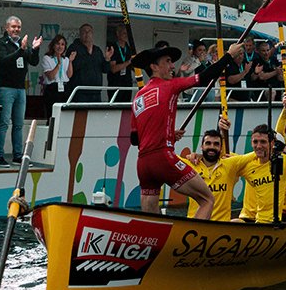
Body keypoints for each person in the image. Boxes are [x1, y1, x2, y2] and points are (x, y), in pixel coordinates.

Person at [129, 41, 243, 219]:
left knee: (150, 220)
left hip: (143, 164)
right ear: (154, 67)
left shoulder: (138, 97)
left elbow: (135, 139)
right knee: (207, 199)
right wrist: (229, 56)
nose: (172, 66)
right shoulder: (169, 85)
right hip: (163, 158)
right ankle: (194, 241)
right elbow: (205, 77)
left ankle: (153, 244)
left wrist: (168, 134)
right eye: (167, 61)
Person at [0, 15, 42, 166]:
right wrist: (20, 50)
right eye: (13, 27)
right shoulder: (1, 43)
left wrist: (34, 49)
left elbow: (34, 61)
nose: (16, 29)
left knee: (19, 124)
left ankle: (17, 156)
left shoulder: (22, 44)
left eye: (18, 27)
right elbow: (4, 61)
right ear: (6, 28)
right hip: (5, 88)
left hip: (20, 89)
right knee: (3, 123)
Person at [69, 23, 113, 103]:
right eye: (84, 32)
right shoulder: (74, 48)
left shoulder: (97, 50)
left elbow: (105, 70)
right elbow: (74, 67)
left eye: (89, 32)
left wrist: (107, 59)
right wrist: (88, 54)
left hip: (96, 91)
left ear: (92, 34)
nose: (87, 34)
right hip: (80, 92)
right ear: (80, 34)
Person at [39, 34, 74, 109]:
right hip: (52, 89)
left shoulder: (66, 59)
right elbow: (51, 77)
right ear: (53, 45)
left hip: (64, 88)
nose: (60, 46)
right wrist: (58, 64)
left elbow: (69, 75)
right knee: (52, 114)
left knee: (64, 113)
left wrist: (70, 61)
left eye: (62, 44)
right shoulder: (47, 58)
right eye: (58, 44)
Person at [106, 23, 136, 102]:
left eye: (127, 34)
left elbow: (132, 67)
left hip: (127, 84)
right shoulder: (112, 47)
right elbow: (113, 69)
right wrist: (129, 62)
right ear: (117, 34)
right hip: (115, 85)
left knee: (125, 108)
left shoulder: (129, 48)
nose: (126, 35)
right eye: (124, 33)